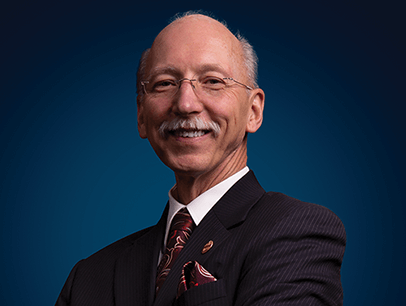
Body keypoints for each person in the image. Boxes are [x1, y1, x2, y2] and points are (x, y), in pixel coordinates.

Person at [55, 12, 346, 306]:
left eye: (213, 81)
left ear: (253, 111)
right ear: (141, 115)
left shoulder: (296, 232)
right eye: (164, 83)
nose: (185, 103)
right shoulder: (90, 276)